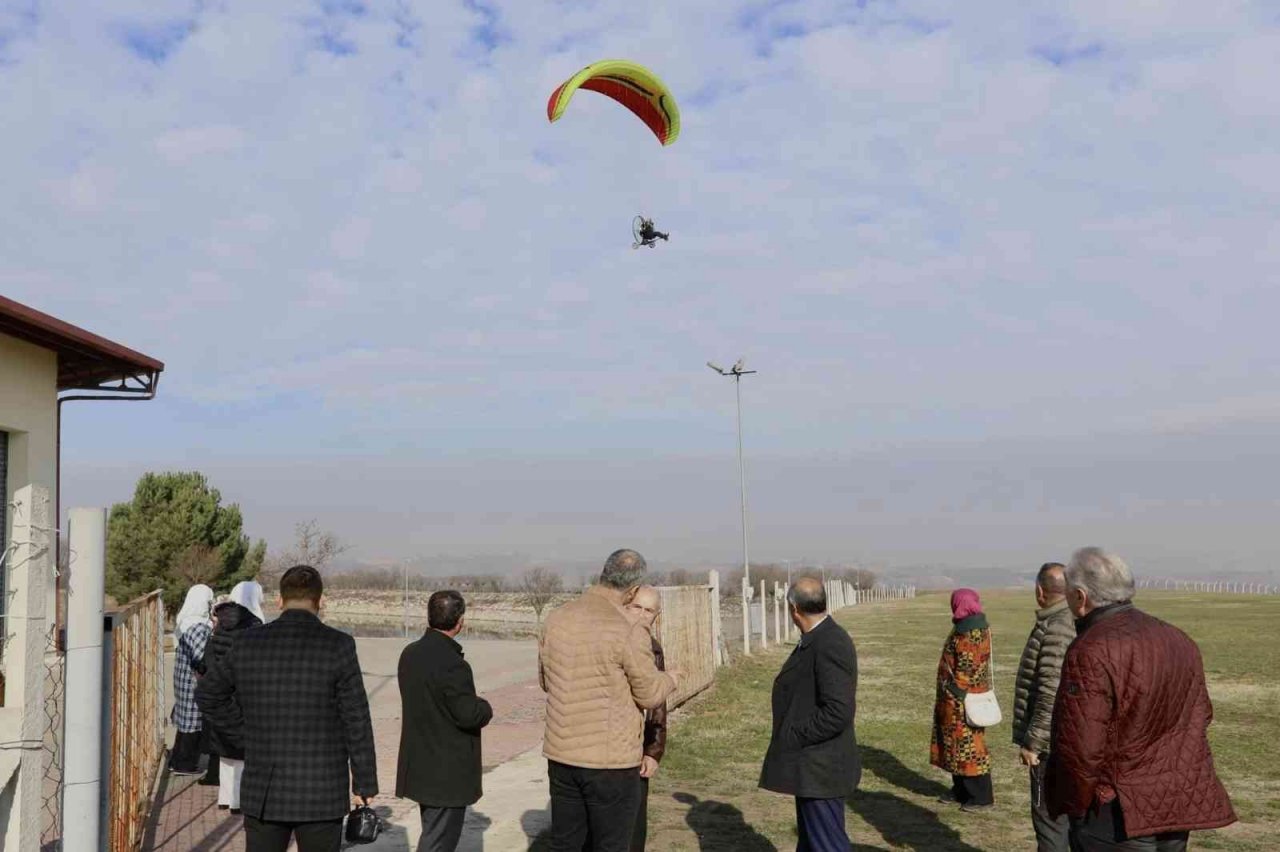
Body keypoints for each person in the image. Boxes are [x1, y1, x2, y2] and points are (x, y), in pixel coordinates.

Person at [1046, 548, 1236, 851]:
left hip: (1117, 812)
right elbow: (1202, 715)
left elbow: (1080, 745)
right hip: (1176, 801)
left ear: (1080, 597)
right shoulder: (1178, 638)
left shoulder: (1090, 649)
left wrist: (1075, 808)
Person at [197, 565, 378, 852]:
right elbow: (356, 718)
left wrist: (244, 734)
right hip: (323, 789)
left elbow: (208, 694)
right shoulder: (339, 644)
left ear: (279, 601)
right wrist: (364, 782)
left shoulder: (247, 642)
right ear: (321, 602)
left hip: (264, 788)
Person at [538, 549, 679, 852]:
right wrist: (672, 679)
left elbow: (546, 681)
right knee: (612, 844)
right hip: (610, 764)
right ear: (632, 590)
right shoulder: (628, 630)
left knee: (566, 843)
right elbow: (650, 694)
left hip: (562, 756)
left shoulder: (557, 618)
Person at [758, 577, 860, 851]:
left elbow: (839, 711)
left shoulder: (829, 642)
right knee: (811, 844)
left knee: (827, 845)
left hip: (821, 768)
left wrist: (795, 734)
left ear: (793, 609)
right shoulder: (817, 638)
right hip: (812, 768)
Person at [396, 590, 494, 852]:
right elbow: (468, 713)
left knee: (432, 832)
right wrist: (485, 707)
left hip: (420, 764)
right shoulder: (452, 663)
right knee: (438, 842)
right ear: (460, 621)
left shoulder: (410, 653)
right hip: (446, 773)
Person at [1012, 562, 1075, 851]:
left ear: (1039, 591)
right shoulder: (1067, 619)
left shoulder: (1057, 627)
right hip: (1068, 740)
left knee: (1049, 821)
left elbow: (1050, 689)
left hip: (1050, 746)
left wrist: (1034, 743)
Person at [196, 581, 266, 812]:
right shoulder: (255, 626)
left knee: (225, 750)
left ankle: (225, 798)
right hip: (245, 695)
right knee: (244, 752)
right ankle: (239, 800)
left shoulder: (220, 624)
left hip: (220, 694)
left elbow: (208, 659)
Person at [931, 588, 995, 812]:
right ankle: (961, 790)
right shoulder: (966, 625)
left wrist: (954, 691)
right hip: (955, 701)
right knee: (955, 748)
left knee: (970, 749)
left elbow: (967, 667)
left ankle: (981, 797)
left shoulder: (972, 631)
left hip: (963, 701)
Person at [621, 586, 668, 852]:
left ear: (655, 617)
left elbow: (658, 705)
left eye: (648, 610)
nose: (641, 615)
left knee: (634, 826)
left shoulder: (653, 649)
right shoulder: (608, 640)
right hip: (606, 747)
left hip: (637, 747)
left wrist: (653, 750)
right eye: (636, 607)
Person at [170, 584, 214, 776]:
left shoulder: (185, 621)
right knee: (193, 723)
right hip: (193, 681)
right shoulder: (199, 626)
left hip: (182, 678)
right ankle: (186, 764)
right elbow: (199, 657)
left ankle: (176, 760)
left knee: (184, 721)